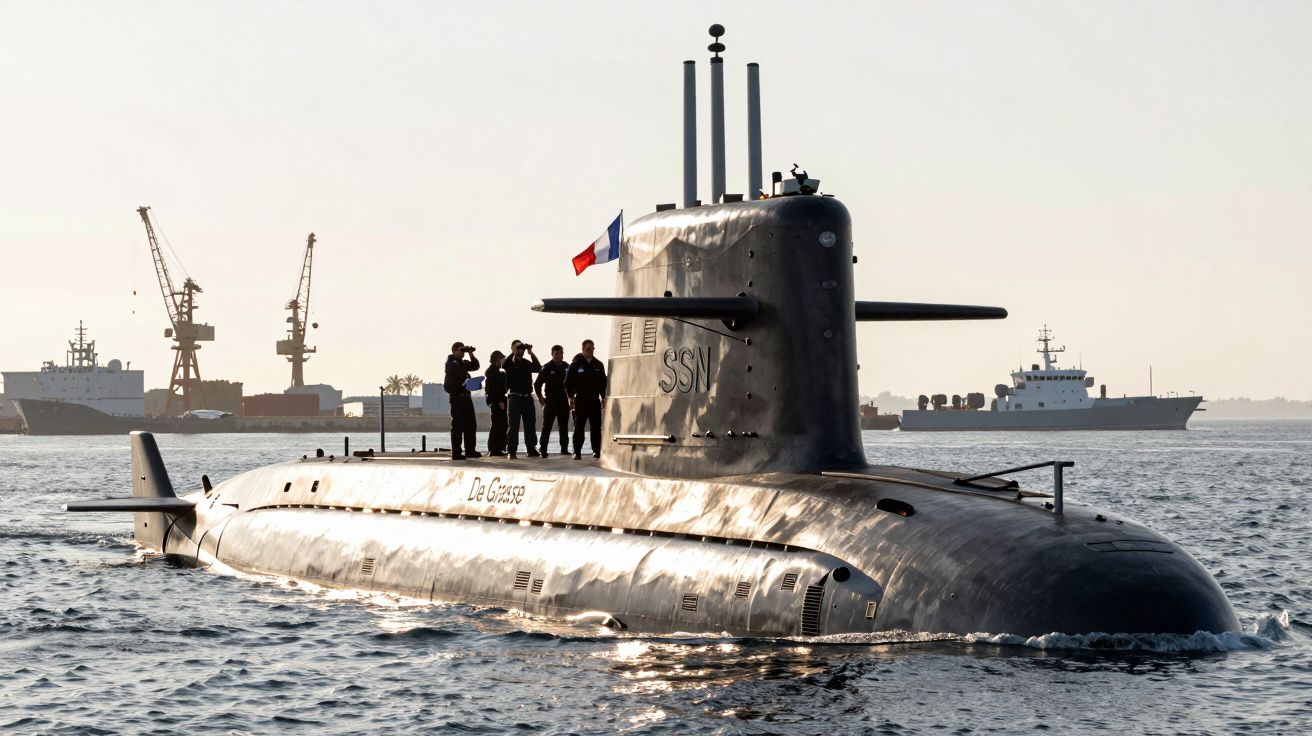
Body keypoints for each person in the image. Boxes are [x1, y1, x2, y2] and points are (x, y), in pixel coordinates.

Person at [566, 339, 607, 459]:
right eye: (588, 349)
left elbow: (603, 382)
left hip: (594, 400)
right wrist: (570, 397)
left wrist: (603, 397)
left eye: (592, 349)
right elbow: (568, 382)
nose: (590, 351)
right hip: (581, 400)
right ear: (583, 349)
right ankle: (577, 452)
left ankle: (596, 451)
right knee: (579, 426)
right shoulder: (576, 364)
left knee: (596, 426)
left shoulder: (598, 365)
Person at [502, 340, 542, 459]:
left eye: (521, 349)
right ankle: (511, 450)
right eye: (518, 348)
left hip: (527, 397)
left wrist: (530, 352)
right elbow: (504, 365)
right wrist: (513, 352)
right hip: (515, 397)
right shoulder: (509, 363)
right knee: (513, 426)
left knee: (530, 424)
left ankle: (531, 449)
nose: (520, 351)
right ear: (513, 349)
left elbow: (538, 368)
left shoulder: (526, 363)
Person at [443, 341, 480, 460]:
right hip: (457, 397)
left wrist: (470, 353)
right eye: (461, 350)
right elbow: (458, 372)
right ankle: (456, 452)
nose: (463, 353)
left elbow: (475, 366)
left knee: (471, 424)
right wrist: (466, 376)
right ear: (455, 351)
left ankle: (470, 450)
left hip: (466, 397)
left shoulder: (462, 363)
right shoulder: (451, 363)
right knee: (458, 425)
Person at [534, 344, 571, 457]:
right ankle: (543, 449)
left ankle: (564, 449)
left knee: (563, 426)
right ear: (552, 354)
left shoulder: (567, 367)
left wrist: (572, 397)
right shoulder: (547, 367)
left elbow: (573, 382)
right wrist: (540, 397)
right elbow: (537, 384)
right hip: (551, 401)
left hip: (564, 401)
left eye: (560, 353)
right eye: (556, 354)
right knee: (547, 426)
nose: (559, 356)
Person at [484, 350, 508, 457]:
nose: (503, 361)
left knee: (501, 424)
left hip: (498, 400)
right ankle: (494, 449)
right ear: (497, 359)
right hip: (497, 401)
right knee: (497, 425)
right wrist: (500, 401)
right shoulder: (492, 372)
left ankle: (499, 447)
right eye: (501, 359)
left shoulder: (497, 372)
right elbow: (495, 389)